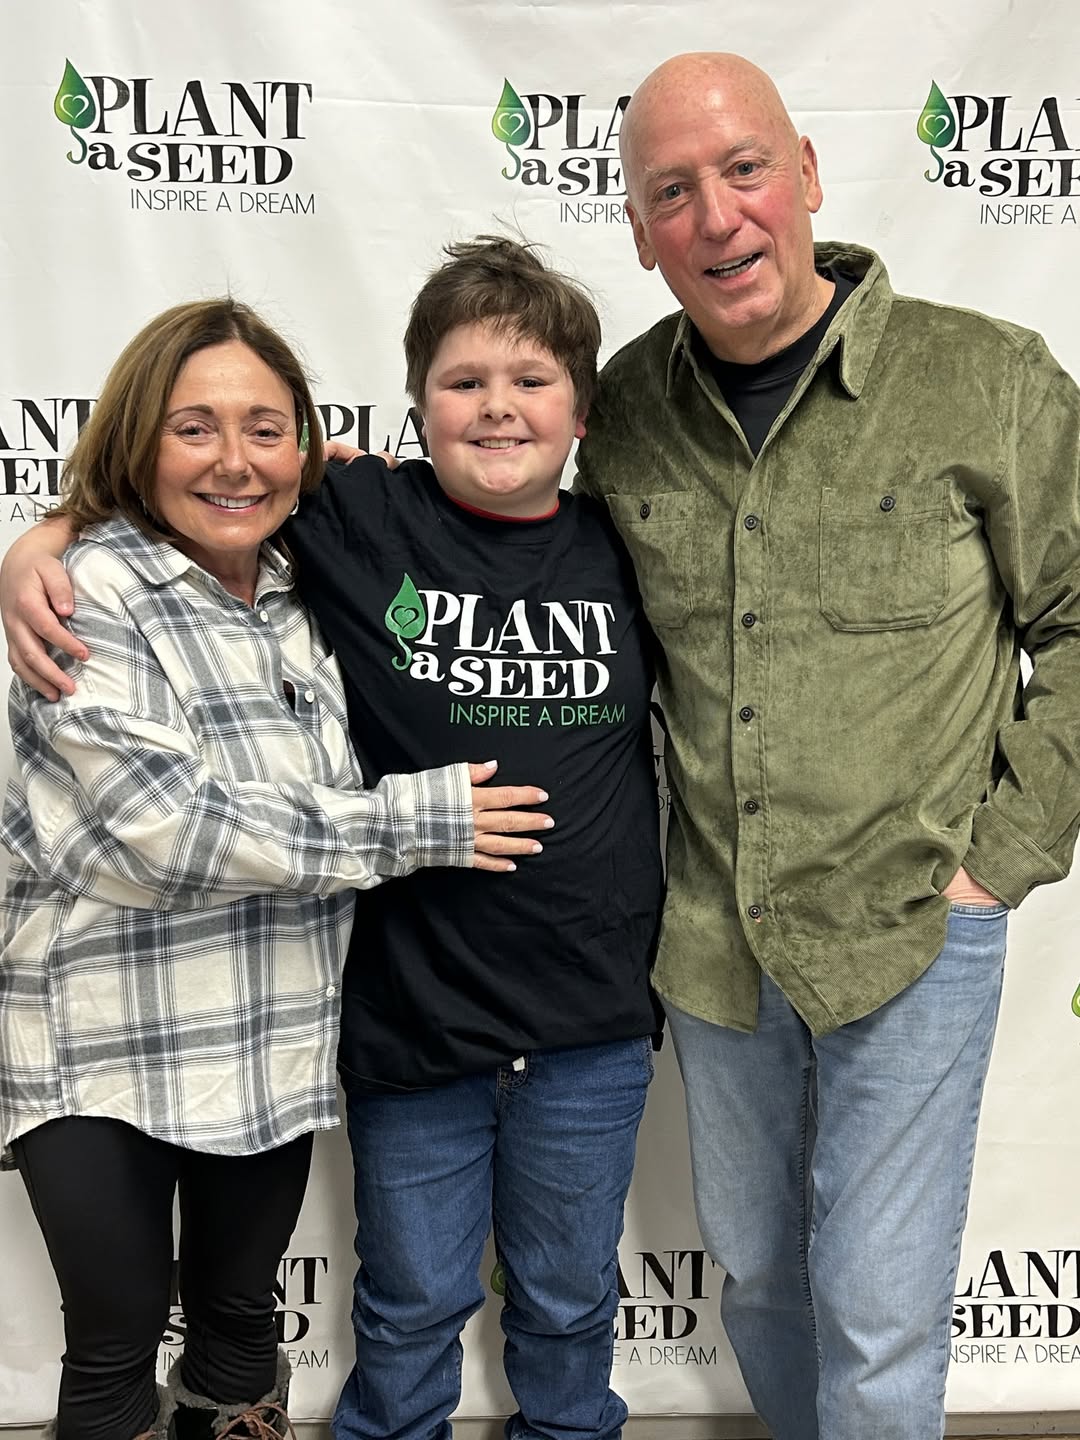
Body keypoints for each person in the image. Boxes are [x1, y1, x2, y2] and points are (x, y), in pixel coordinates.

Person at [2, 241, 664, 1440]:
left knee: (559, 1302)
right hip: (394, 1019)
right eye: (465, 382)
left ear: (584, 406)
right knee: (389, 1308)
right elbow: (195, 504)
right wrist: (43, 542)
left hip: (567, 1014)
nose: (499, 407)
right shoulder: (351, 520)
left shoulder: (627, 544)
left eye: (533, 381)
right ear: (416, 404)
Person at [568, 51, 1080, 1440]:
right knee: (767, 1284)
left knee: (876, 1311)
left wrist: (1006, 856)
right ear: (638, 232)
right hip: (718, 942)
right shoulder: (619, 414)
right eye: (672, 192)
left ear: (804, 177)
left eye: (743, 171)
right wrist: (75, 525)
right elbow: (468, 516)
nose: (718, 217)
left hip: (915, 925)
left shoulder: (984, 380)